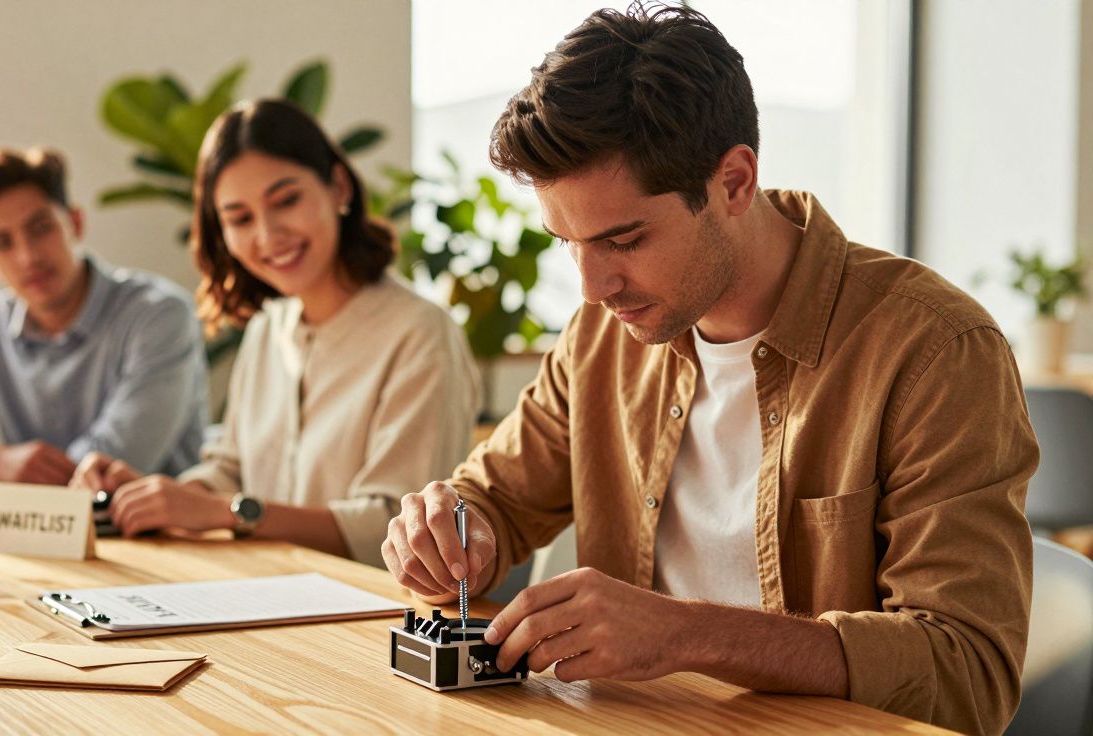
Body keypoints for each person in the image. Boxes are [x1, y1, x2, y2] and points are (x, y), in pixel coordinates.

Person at [380, 5, 1038, 734]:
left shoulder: (935, 350)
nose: (593, 287)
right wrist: (447, 530)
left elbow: (966, 672)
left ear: (733, 181)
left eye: (623, 239)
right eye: (568, 242)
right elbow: (493, 501)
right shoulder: (600, 338)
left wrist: (683, 634)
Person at [72, 99, 479, 569]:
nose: (267, 236)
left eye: (286, 200)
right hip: (261, 596)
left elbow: (395, 529)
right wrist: (150, 496)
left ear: (338, 187)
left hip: (367, 616)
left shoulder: (421, 333)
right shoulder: (267, 329)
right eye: (240, 218)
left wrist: (223, 513)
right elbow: (230, 470)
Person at [0, 147, 208, 484]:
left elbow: (108, 464)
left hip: (160, 531)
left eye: (41, 229)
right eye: (3, 243)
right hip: (37, 529)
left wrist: (0, 465)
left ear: (76, 223)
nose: (28, 257)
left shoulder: (159, 315)